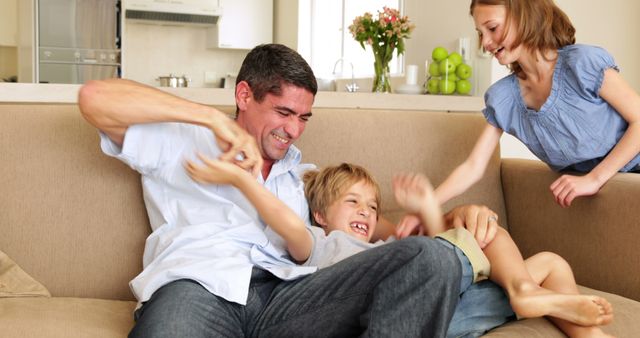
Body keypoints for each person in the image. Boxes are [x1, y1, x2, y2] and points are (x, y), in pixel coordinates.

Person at [79, 43, 506, 338]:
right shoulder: (179, 139)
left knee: (432, 258)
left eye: (304, 117)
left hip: (291, 297)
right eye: (283, 112)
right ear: (244, 95)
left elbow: (389, 238)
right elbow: (95, 97)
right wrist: (210, 119)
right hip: (196, 287)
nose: (293, 129)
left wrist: (452, 217)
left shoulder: (304, 176)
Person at [188, 160, 614, 337]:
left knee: (553, 261)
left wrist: (430, 209)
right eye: (351, 202)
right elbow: (288, 226)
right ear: (319, 214)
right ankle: (525, 292)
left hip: (449, 297)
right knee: (452, 256)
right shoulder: (320, 243)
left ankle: (552, 307)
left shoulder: (385, 244)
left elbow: (434, 255)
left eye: (372, 206)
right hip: (410, 315)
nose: (365, 212)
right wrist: (242, 180)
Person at [434, 0, 640, 209]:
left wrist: (594, 179)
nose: (485, 42)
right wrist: (426, 205)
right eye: (480, 33)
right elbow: (473, 166)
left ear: (524, 17)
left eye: (492, 28)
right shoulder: (504, 98)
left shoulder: (582, 64)